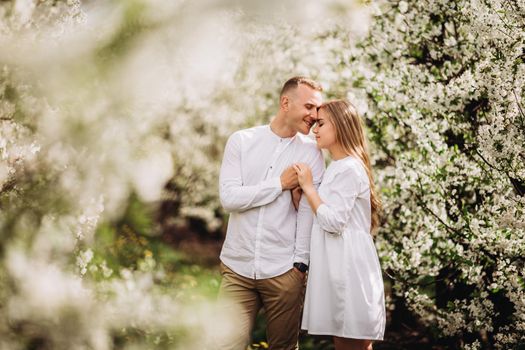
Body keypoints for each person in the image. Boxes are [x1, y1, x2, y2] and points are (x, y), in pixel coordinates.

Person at [217, 76, 325, 350]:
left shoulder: (312, 153)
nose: (314, 116)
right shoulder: (241, 141)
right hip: (237, 269)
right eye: (309, 107)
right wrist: (279, 184)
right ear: (285, 102)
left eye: (317, 109)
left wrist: (300, 266)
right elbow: (229, 198)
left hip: (283, 272)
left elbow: (306, 213)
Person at [293, 99, 386, 350]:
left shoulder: (350, 169)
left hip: (348, 268)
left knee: (352, 343)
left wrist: (310, 188)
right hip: (336, 264)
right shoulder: (337, 167)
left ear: (342, 125)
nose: (315, 130)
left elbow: (334, 222)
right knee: (343, 342)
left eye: (321, 123)